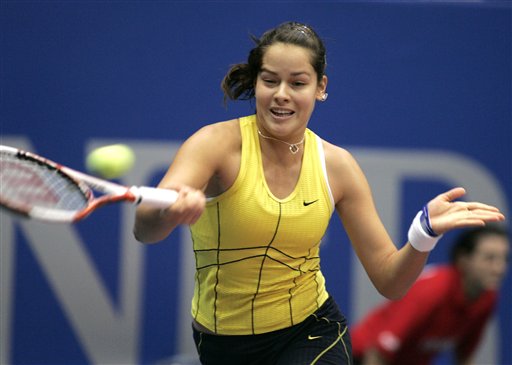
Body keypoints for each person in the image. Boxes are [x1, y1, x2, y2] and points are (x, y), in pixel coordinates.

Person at [133, 21, 505, 365]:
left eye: (297, 83)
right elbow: (145, 231)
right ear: (256, 83)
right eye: (269, 81)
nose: (281, 95)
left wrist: (424, 234)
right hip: (221, 344)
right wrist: (168, 213)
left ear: (320, 88)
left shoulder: (338, 166)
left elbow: (391, 282)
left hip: (311, 331)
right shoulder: (213, 144)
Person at [350, 225, 510, 365]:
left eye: (505, 259)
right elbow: (378, 352)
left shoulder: (487, 297)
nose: (499, 268)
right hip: (361, 358)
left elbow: (465, 355)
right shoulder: (433, 290)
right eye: (489, 259)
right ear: (463, 260)